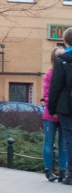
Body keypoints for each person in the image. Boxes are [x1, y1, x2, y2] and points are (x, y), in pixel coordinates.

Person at [45, 29, 72, 185]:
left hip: (67, 106)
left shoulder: (61, 60)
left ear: (66, 41)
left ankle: (70, 175)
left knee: (69, 140)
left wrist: (52, 107)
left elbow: (55, 87)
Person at [41, 46, 62, 182]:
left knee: (63, 143)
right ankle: (48, 169)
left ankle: (62, 170)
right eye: (57, 56)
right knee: (49, 142)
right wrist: (53, 109)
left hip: (63, 113)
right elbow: (47, 94)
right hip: (50, 114)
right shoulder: (50, 74)